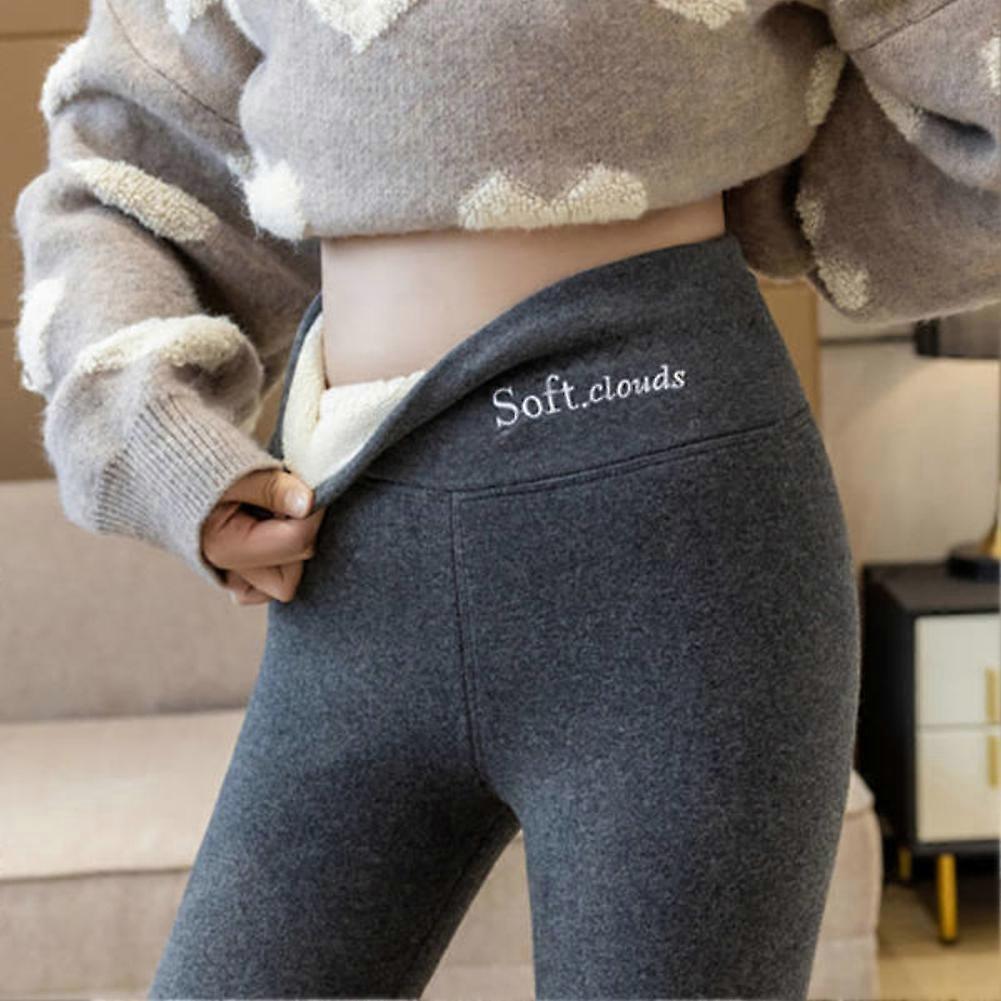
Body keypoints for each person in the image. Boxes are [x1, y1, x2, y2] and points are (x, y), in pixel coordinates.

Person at [12, 2, 999, 998]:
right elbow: (123, 172)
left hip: (674, 549)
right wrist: (162, 441)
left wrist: (759, 162)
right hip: (355, 560)